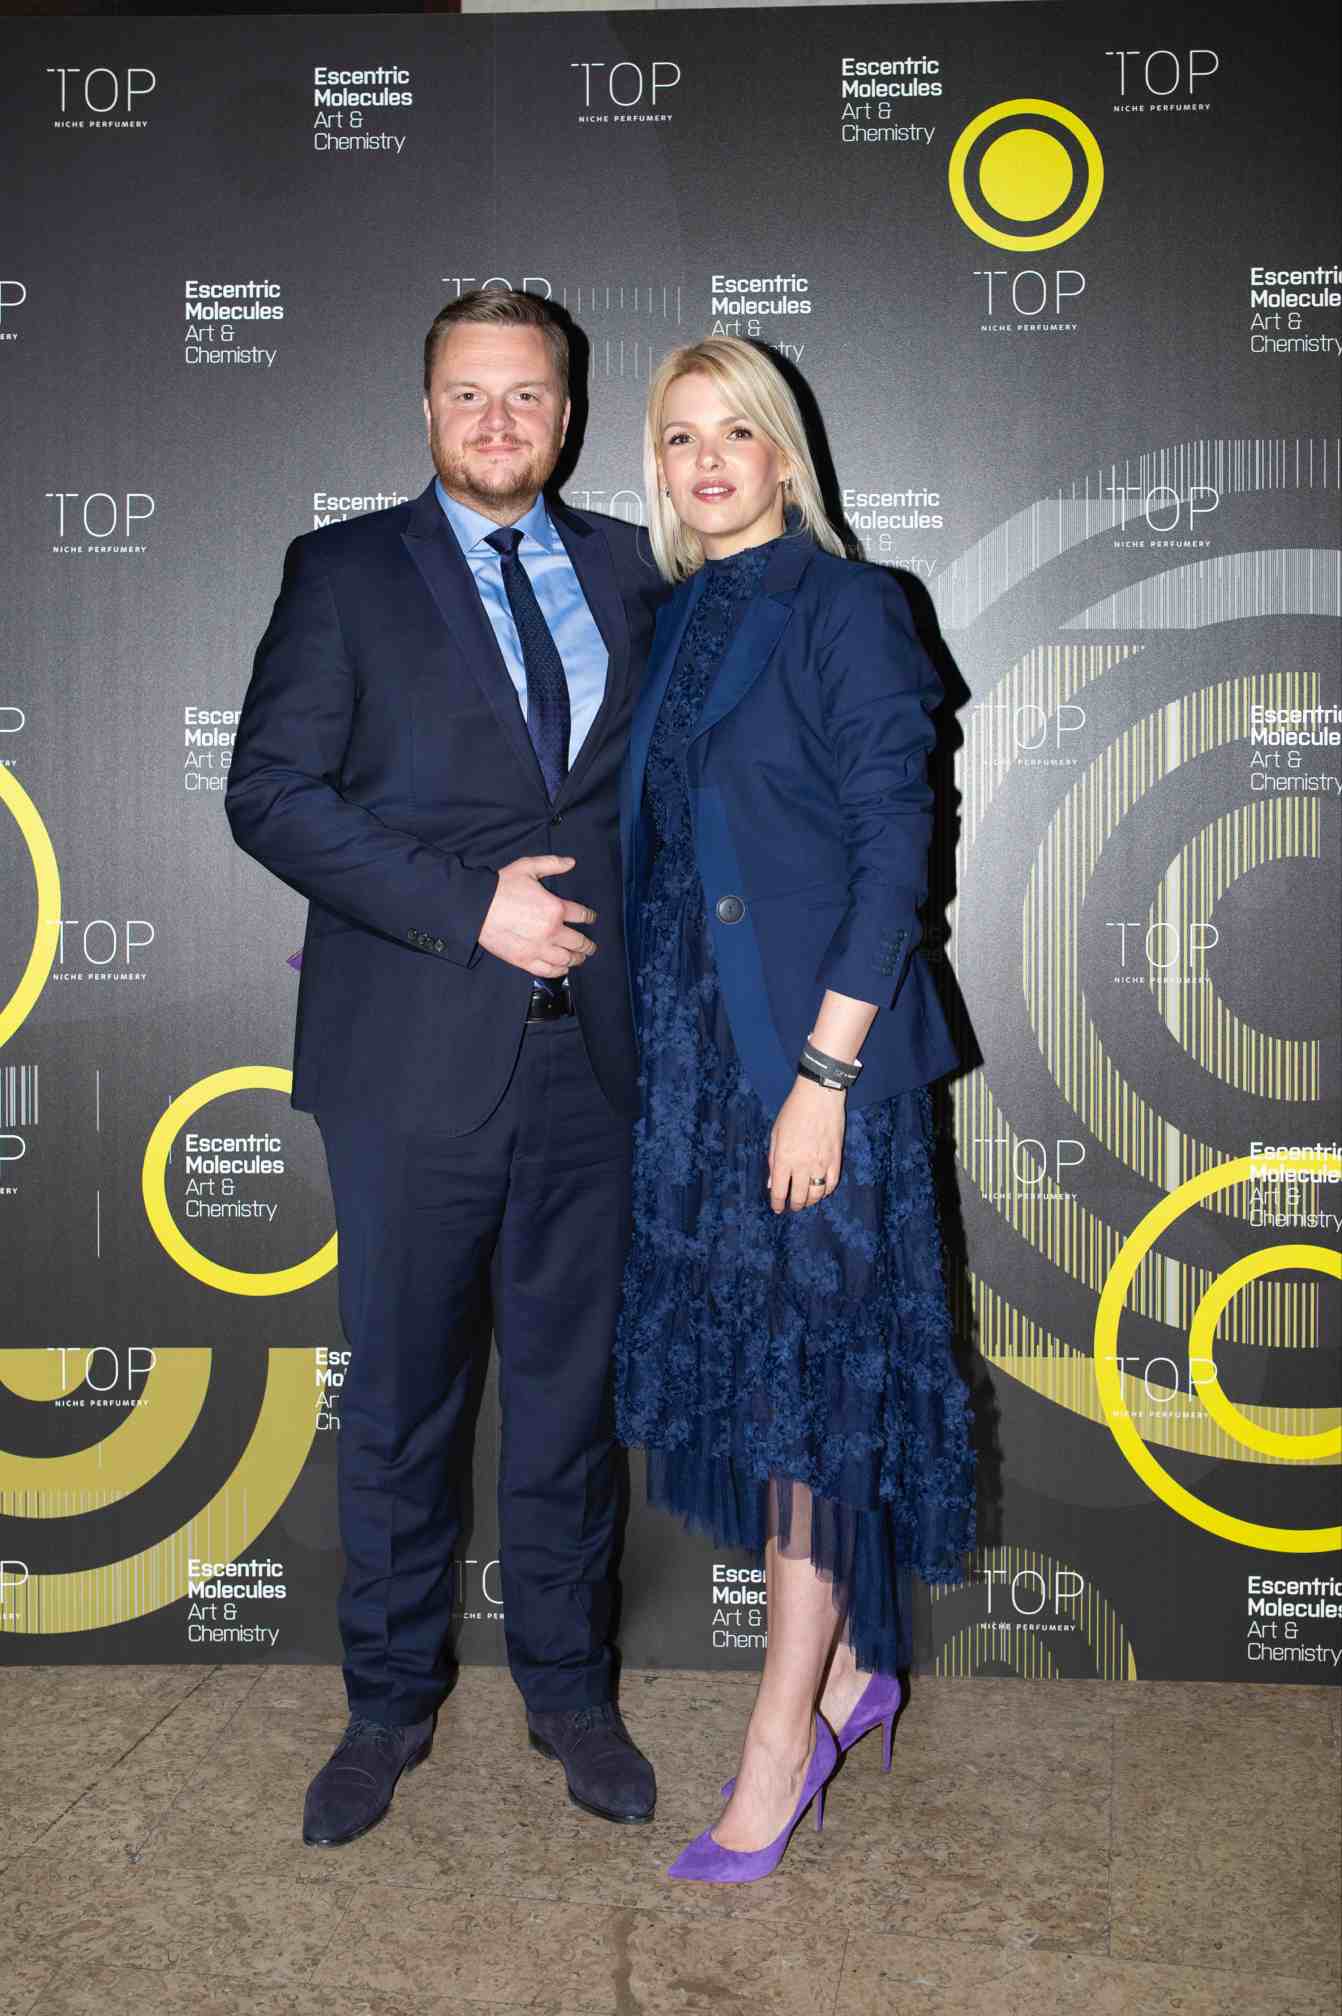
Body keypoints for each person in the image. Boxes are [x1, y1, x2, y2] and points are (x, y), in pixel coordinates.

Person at [227, 289, 666, 1848]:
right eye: (468, 394)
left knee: (567, 1407)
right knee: (404, 1407)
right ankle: (385, 1707)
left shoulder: (641, 569)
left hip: (599, 1068)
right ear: (425, 410)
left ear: (569, 412)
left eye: (524, 394)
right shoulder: (343, 572)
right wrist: (470, 905)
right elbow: (270, 793)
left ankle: (569, 1694)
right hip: (409, 1059)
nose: (497, 421)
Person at [615, 337, 975, 1884]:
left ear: (783, 455)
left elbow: (897, 854)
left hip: (813, 1067)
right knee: (778, 1397)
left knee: (813, 1394)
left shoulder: (848, 606)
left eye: (734, 433)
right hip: (693, 1083)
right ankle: (846, 1677)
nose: (707, 462)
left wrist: (822, 1080)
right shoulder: (667, 622)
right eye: (678, 437)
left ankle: (780, 1742)